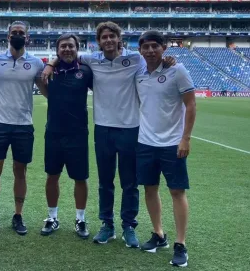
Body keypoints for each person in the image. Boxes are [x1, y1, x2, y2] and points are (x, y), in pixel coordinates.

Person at [42, 21, 175, 248]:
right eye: (104, 38)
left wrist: (168, 60)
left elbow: (154, 61)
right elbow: (68, 54)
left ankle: (129, 227)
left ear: (119, 39)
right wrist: (51, 63)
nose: (108, 41)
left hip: (130, 128)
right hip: (102, 128)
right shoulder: (92, 60)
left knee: (129, 182)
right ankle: (107, 225)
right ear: (99, 42)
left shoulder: (135, 59)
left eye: (112, 37)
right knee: (105, 181)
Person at [0, 21, 48, 238]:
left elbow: (47, 92)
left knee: (20, 171)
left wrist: (52, 70)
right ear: (8, 36)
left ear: (27, 37)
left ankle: (18, 215)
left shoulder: (36, 62)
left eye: (21, 33)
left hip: (23, 125)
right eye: (14, 32)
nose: (17, 35)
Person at [135, 30, 196, 268]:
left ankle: (180, 244)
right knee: (150, 190)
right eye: (146, 47)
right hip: (145, 142)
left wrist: (186, 138)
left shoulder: (177, 70)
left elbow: (191, 105)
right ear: (140, 50)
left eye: (155, 46)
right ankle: (159, 234)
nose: (150, 51)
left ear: (164, 48)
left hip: (172, 143)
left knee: (177, 192)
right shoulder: (138, 74)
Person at [40, 34, 93, 239]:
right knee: (52, 176)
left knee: (80, 178)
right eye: (63, 46)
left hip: (78, 134)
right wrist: (51, 64)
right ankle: (52, 217)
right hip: (53, 132)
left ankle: (80, 219)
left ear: (77, 48)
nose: (67, 49)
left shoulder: (86, 71)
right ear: (57, 50)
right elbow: (47, 92)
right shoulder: (49, 72)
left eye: (71, 46)